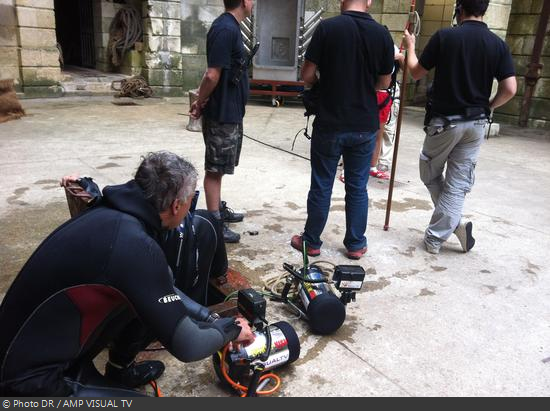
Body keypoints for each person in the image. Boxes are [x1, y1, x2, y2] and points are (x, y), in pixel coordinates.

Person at [0, 151, 255, 397]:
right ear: (177, 205)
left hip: (40, 356)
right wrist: (231, 329)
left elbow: (156, 288)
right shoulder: (134, 247)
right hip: (29, 385)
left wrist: (209, 318)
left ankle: (120, 371)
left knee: (136, 300)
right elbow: (189, 346)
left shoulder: (115, 216)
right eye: (190, 202)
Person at [403, 0, 517, 254]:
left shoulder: (446, 36)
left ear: (460, 8)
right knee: (456, 184)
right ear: (484, 9)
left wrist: (410, 47)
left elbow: (415, 72)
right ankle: (444, 231)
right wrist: (489, 106)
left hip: (444, 122)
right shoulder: (498, 44)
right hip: (476, 123)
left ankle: (445, 230)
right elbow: (510, 89)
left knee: (429, 172)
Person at [290, 0, 394, 260]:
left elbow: (307, 74)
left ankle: (311, 241)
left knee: (322, 184)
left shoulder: (327, 29)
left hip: (330, 121)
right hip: (365, 123)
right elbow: (384, 81)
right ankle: (356, 244)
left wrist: (326, 81)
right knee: (358, 187)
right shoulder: (381, 33)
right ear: (369, 1)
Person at [189, 0, 255, 244]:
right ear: (245, 1)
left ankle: (218, 209)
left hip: (231, 112)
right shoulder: (225, 29)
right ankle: (215, 222)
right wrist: (199, 101)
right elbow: (212, 74)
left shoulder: (231, 27)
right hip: (221, 114)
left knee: (222, 167)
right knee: (215, 169)